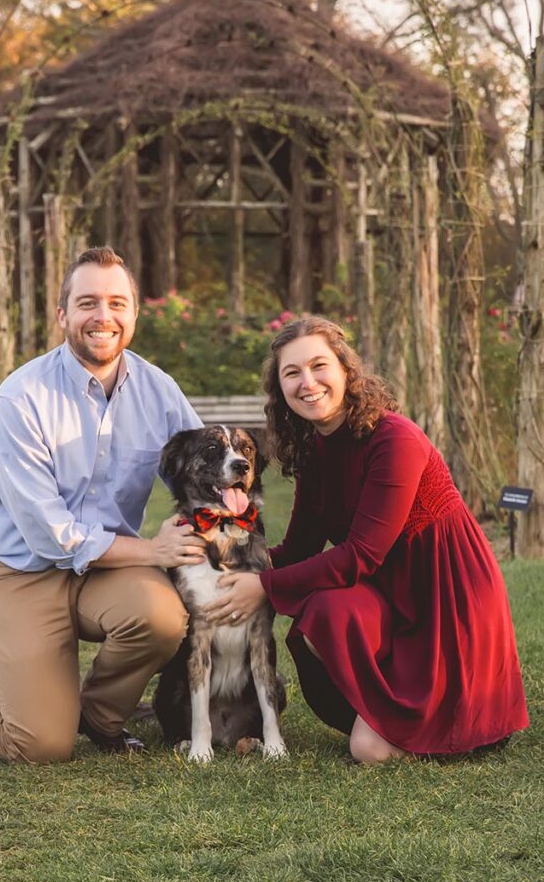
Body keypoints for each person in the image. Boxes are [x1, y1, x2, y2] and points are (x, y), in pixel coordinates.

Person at [0, 246, 206, 761]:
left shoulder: (160, 391)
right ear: (63, 315)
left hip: (106, 572)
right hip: (23, 571)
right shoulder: (20, 398)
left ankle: (100, 716)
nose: (103, 317)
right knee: (38, 745)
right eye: (88, 302)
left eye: (117, 303)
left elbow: (204, 464)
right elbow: (51, 536)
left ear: (134, 314)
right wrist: (155, 551)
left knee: (161, 617)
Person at [204, 316, 529, 763]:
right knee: (323, 610)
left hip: (446, 601)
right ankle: (387, 714)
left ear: (346, 371)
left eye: (319, 366)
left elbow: (362, 554)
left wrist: (261, 588)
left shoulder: (394, 439)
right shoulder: (316, 451)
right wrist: (225, 565)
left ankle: (456, 721)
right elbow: (298, 549)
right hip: (386, 594)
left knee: (369, 752)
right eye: (292, 373)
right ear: (279, 389)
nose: (308, 382)